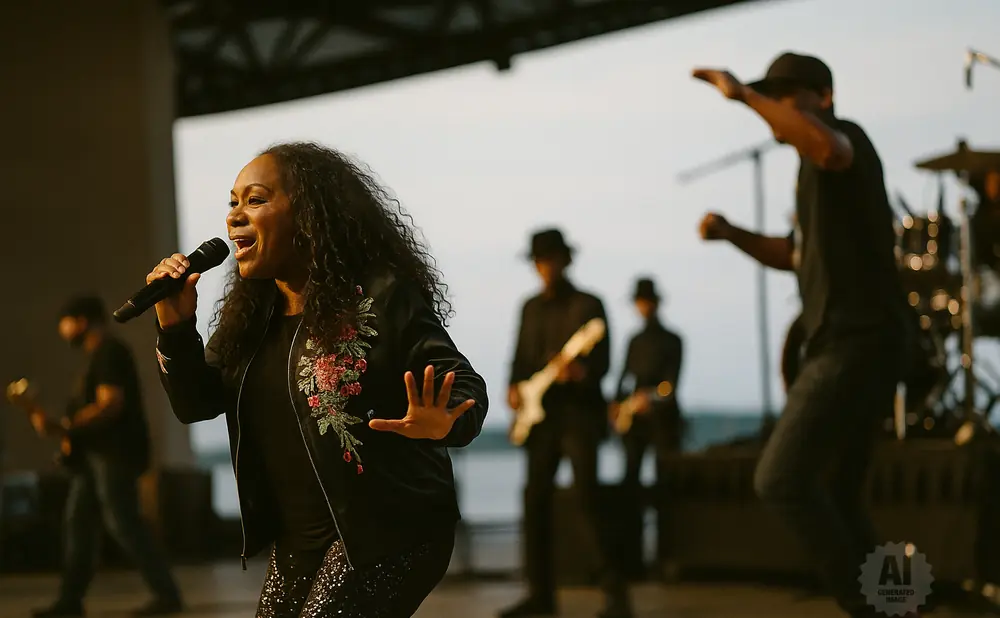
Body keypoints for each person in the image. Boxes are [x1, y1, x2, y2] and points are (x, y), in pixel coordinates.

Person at [148, 142, 488, 618]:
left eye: (256, 199)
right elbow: (195, 404)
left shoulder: (381, 297)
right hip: (298, 542)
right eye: (232, 202)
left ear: (308, 215)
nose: (235, 216)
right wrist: (175, 329)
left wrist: (443, 421)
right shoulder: (250, 318)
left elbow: (465, 385)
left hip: (389, 529)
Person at [693, 53, 913, 618]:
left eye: (792, 95)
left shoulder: (844, 139)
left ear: (826, 97)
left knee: (780, 479)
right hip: (861, 343)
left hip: (855, 342)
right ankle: (901, 604)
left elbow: (826, 146)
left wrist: (744, 96)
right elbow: (794, 254)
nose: (782, 105)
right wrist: (730, 232)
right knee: (840, 494)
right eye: (774, 94)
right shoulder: (811, 174)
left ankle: (866, 607)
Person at [500, 229, 631, 618]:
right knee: (534, 502)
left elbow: (604, 363)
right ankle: (540, 597)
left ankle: (615, 595)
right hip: (541, 422)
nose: (545, 268)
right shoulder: (529, 308)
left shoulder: (589, 305)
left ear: (566, 260)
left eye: (551, 259)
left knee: (586, 501)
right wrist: (512, 389)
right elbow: (519, 358)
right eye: (540, 261)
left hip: (579, 416)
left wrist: (580, 372)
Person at [30, 296, 182, 617]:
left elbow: (110, 404)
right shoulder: (97, 357)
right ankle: (70, 601)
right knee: (79, 523)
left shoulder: (110, 352)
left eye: (66, 321)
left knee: (123, 522)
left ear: (82, 320)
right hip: (95, 458)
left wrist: (66, 425)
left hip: (113, 455)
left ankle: (167, 595)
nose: (63, 329)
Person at [610, 277, 684, 489]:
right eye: (640, 302)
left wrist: (651, 398)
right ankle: (630, 521)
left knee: (667, 475)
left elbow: (671, 384)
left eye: (646, 301)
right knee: (630, 474)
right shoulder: (635, 341)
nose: (643, 307)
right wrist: (617, 404)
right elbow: (624, 377)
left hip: (663, 417)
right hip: (634, 419)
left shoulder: (672, 340)